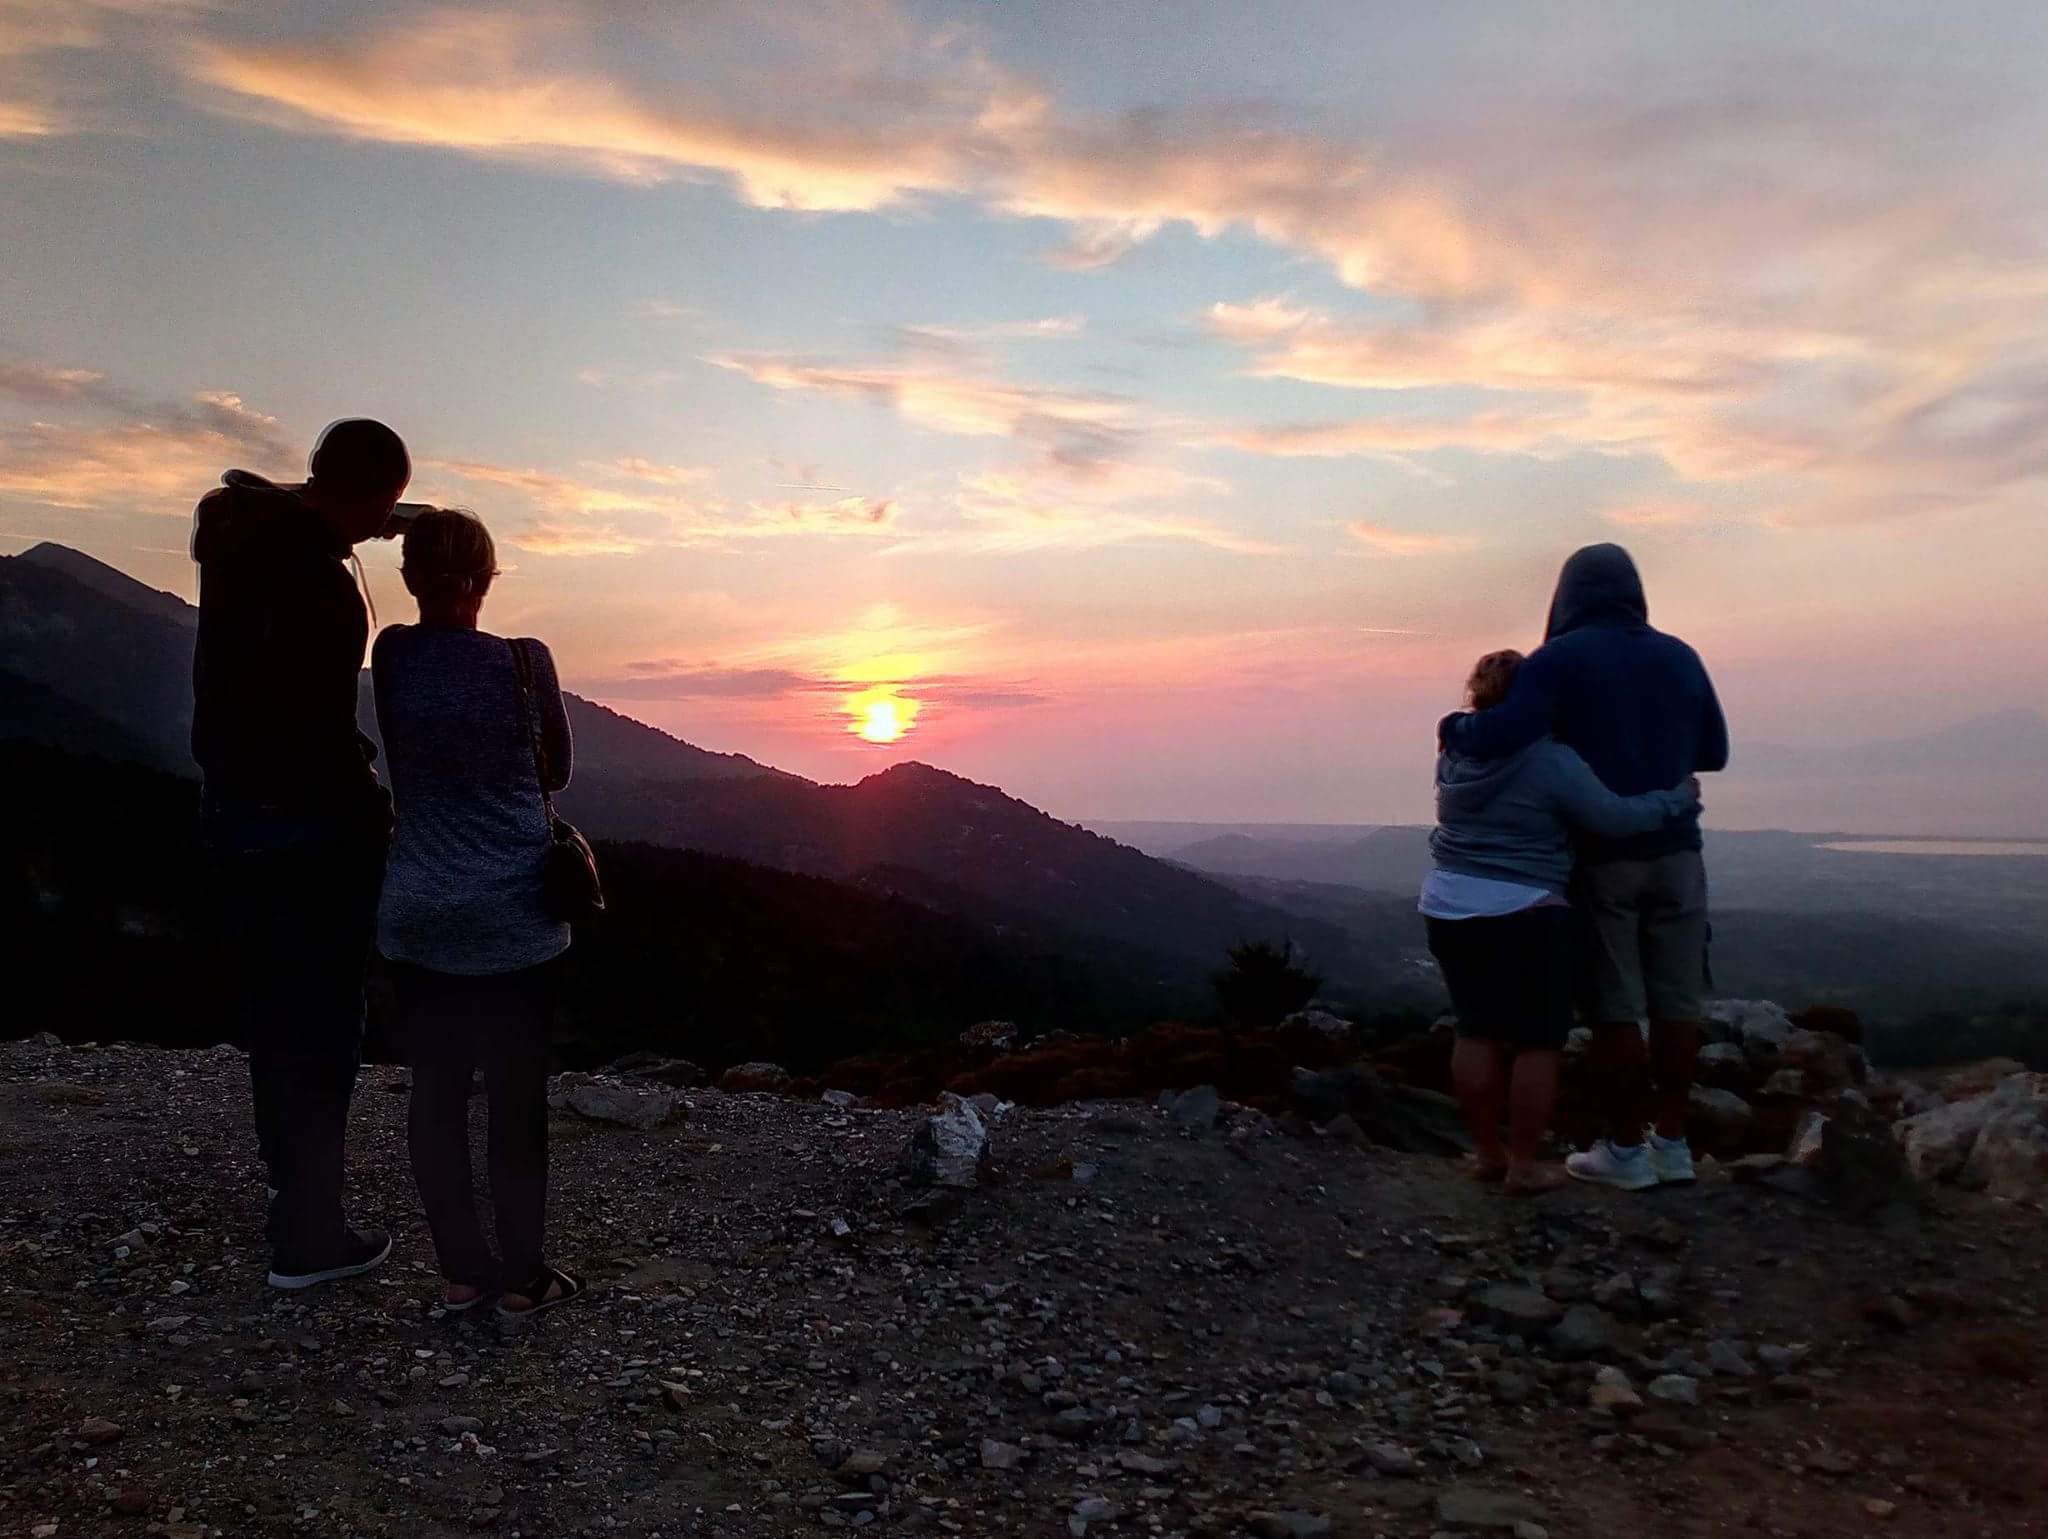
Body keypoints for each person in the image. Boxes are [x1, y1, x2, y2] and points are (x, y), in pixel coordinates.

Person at [191, 418, 411, 1288]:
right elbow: (317, 728)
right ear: (370, 496)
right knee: (324, 1019)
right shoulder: (319, 586)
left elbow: (292, 504)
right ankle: (311, 1232)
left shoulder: (241, 537)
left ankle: (294, 1194)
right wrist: (373, 805)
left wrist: (357, 516)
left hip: (234, 810)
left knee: (275, 1011)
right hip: (311, 822)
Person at [1439, 544, 1729, 1192]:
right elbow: (1715, 749)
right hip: (1680, 852)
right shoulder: (1682, 656)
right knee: (1679, 1000)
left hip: (1602, 861)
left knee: (1616, 1008)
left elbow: (1500, 732)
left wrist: (1451, 728)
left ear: (1565, 596)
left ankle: (1626, 1149)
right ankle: (1674, 1143)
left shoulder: (1557, 661)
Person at [372, 508, 583, 1318]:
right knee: (515, 1102)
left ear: (408, 576)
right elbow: (554, 773)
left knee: (437, 1092)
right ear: (489, 580)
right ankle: (524, 1280)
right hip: (516, 918)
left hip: (419, 912)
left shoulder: (391, 655)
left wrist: (395, 520)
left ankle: (462, 1272)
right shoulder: (527, 664)